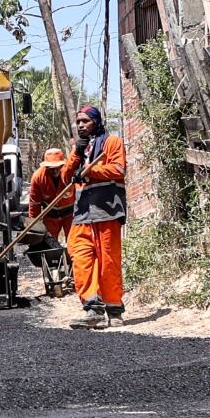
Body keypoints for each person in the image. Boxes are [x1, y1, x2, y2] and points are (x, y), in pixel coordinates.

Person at [63, 105, 127, 330]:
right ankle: (93, 308)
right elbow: (65, 177)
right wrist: (76, 156)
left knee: (108, 261)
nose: (80, 125)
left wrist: (91, 171)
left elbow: (118, 170)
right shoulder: (79, 148)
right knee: (80, 258)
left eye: (85, 121)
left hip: (107, 210)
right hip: (82, 213)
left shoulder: (112, 142)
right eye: (78, 122)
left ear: (96, 122)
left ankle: (114, 309)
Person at [27, 148, 74, 243]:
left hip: (70, 216)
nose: (55, 170)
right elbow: (34, 204)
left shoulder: (70, 174)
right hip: (50, 216)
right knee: (50, 244)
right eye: (51, 168)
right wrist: (33, 226)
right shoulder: (38, 177)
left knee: (74, 244)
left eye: (57, 167)